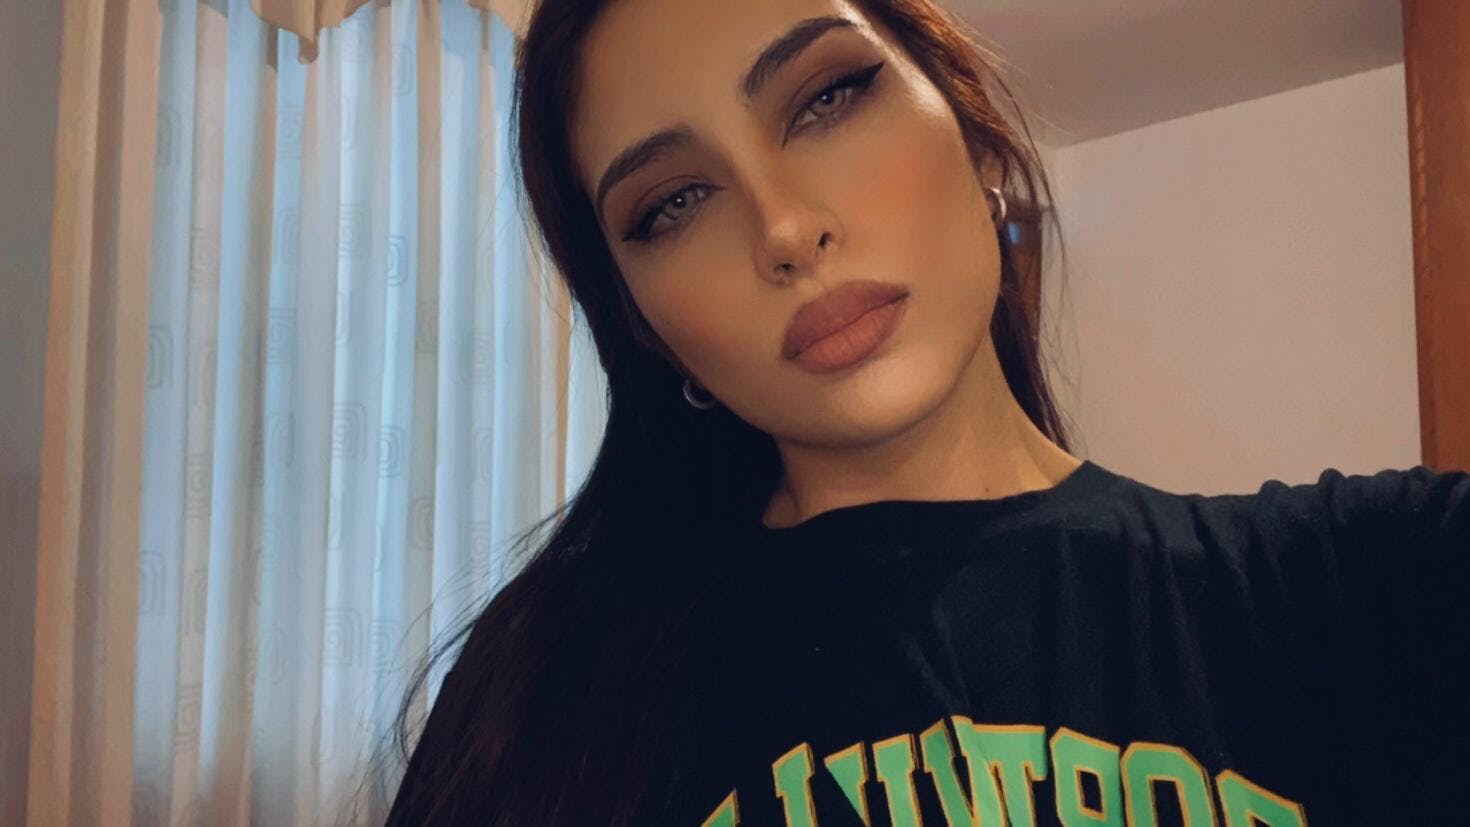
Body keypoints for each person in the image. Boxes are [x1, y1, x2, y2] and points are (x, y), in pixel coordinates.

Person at [381, 0, 1470, 824]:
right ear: (649, 330)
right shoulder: (546, 700)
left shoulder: (1387, 584)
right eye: (674, 202)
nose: (784, 229)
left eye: (826, 98)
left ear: (974, 131)